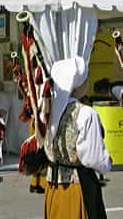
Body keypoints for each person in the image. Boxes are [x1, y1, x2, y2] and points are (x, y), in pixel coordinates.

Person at [44, 57, 112, 219]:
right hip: (77, 189)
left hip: (53, 188)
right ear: (78, 84)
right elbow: (93, 158)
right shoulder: (85, 114)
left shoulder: (48, 111)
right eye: (86, 78)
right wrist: (107, 163)